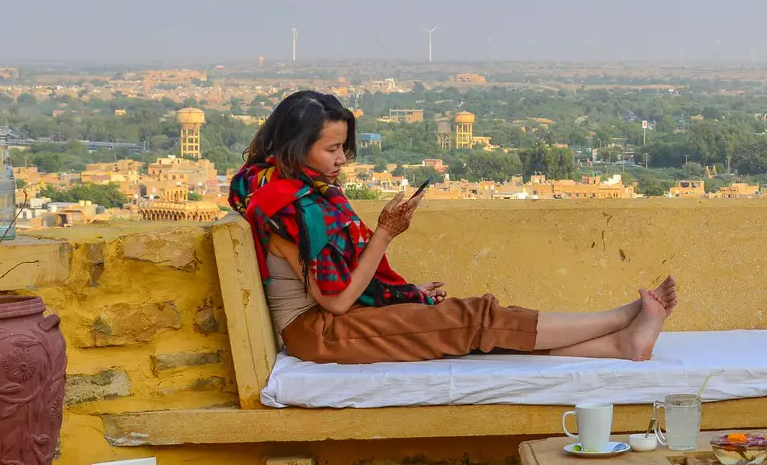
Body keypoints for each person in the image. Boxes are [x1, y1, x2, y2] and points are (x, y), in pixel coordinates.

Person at [229, 90, 675, 365]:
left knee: (470, 330)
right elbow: (339, 300)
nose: (343, 160)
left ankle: (621, 346)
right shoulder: (287, 204)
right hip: (318, 333)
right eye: (332, 150)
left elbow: (340, 282)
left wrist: (400, 294)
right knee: (473, 318)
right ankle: (623, 316)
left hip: (327, 322)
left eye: (344, 148)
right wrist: (386, 231)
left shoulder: (282, 189)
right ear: (296, 148)